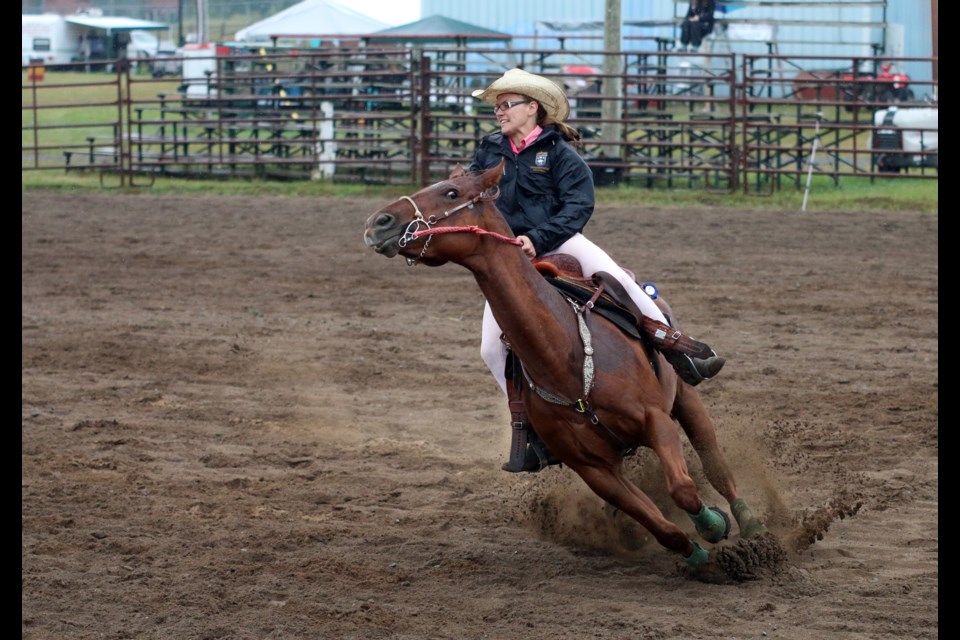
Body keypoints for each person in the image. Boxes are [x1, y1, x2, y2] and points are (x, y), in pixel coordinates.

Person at [463, 68, 725, 472]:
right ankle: (528, 427)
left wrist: (539, 236)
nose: (499, 112)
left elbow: (578, 207)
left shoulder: (562, 154)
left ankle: (677, 346)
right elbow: (473, 194)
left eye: (506, 104)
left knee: (619, 281)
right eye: (497, 106)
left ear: (532, 108)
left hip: (562, 240)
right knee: (491, 348)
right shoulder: (488, 151)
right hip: (509, 256)